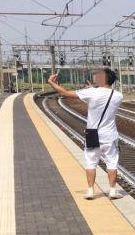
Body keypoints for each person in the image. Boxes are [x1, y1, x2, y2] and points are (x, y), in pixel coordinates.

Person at [47, 68, 124, 200]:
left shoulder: (91, 93)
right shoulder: (118, 95)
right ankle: (112, 191)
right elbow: (101, 102)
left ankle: (90, 191)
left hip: (92, 134)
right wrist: (90, 90)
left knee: (91, 162)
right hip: (110, 135)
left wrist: (51, 82)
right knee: (112, 163)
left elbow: (64, 92)